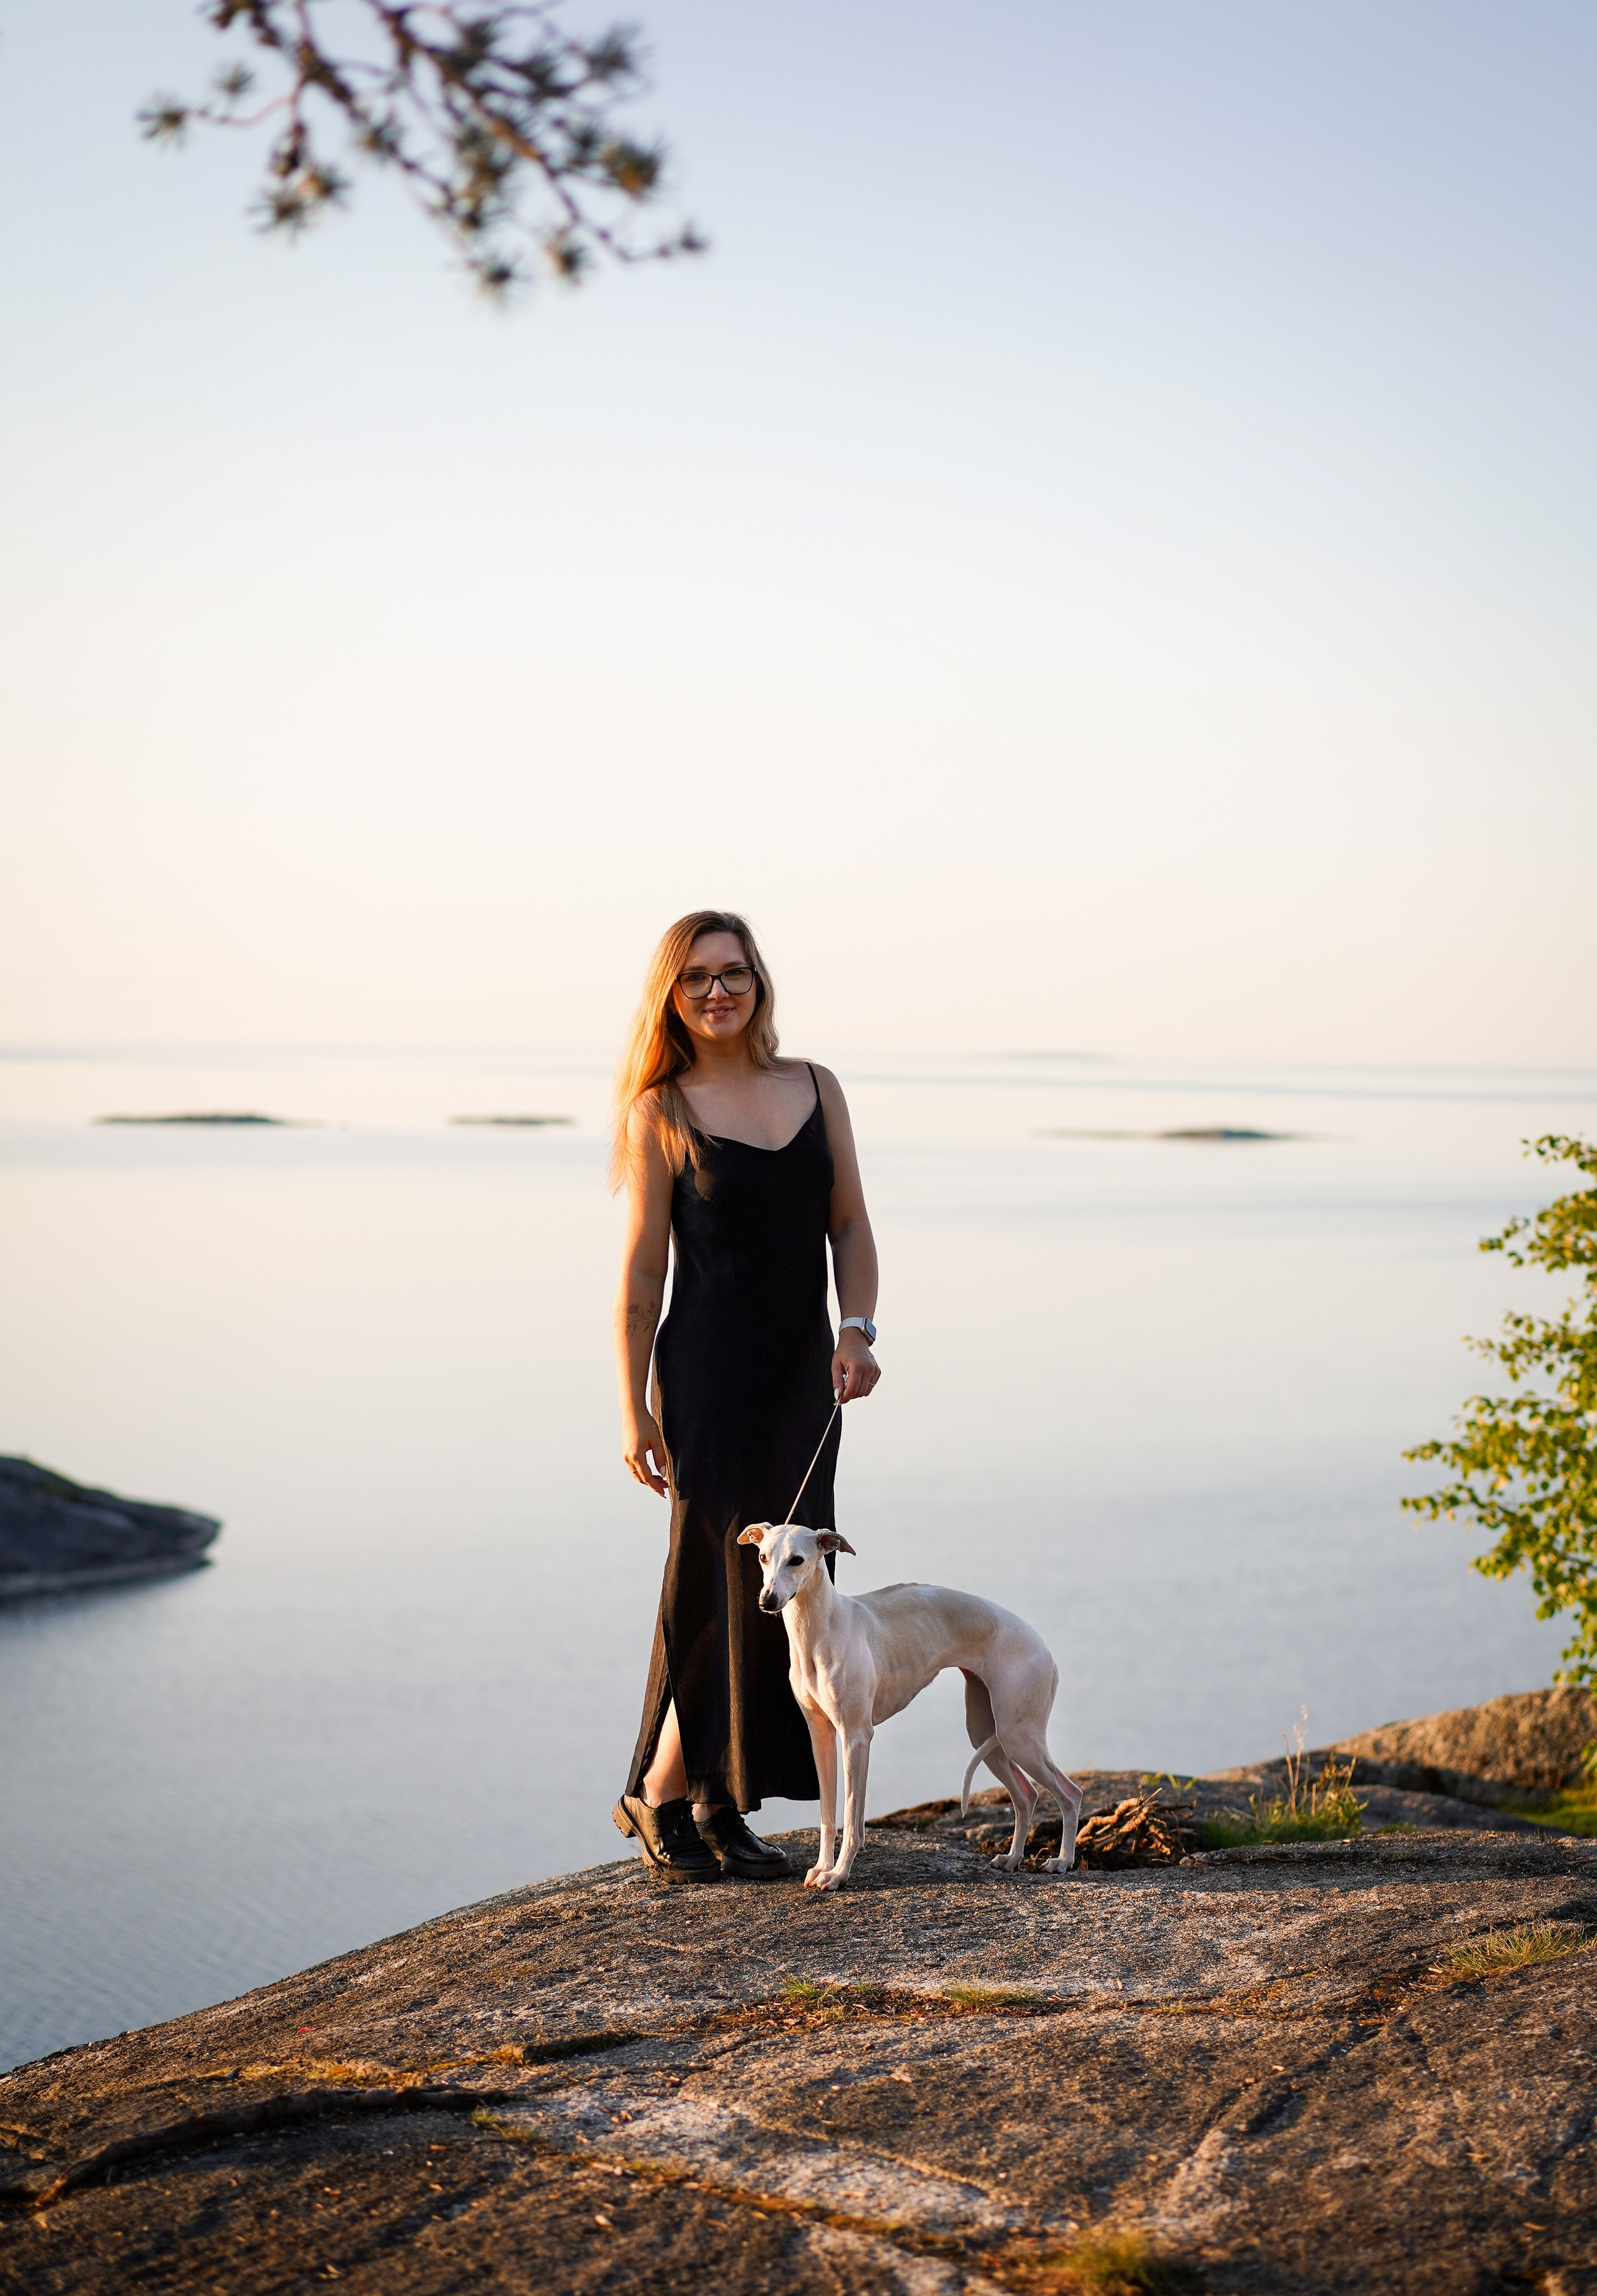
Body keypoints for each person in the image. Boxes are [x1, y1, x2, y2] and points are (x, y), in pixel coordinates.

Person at [609, 910, 881, 1882]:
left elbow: (849, 1224)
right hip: (707, 1380)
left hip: (806, 1375)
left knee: (794, 1580)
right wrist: (635, 1408)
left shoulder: (815, 1086)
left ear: (758, 982)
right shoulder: (661, 1110)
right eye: (695, 979)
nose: (717, 991)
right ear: (672, 999)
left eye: (733, 973)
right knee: (716, 1578)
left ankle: (718, 1801)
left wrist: (859, 1328)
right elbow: (641, 1278)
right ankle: (666, 1789)